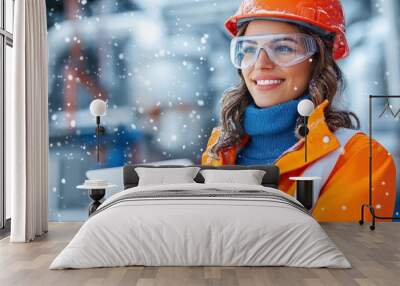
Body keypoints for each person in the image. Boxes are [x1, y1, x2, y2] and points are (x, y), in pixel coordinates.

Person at [201, 0, 397, 222]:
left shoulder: (360, 158)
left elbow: (333, 253)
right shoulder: (219, 149)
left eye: (283, 48)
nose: (261, 63)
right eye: (249, 49)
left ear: (318, 61)